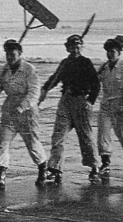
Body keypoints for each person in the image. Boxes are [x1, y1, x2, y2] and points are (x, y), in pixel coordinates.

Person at [0, 39, 48, 187]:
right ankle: (0, 177)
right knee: (2, 144)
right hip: (10, 109)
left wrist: (22, 107)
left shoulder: (29, 70)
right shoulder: (4, 70)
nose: (10, 57)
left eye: (13, 54)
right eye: (8, 54)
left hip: (28, 112)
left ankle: (43, 168)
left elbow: (34, 93)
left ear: (20, 54)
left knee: (32, 144)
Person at [38, 34, 100, 183]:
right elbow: (55, 78)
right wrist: (44, 90)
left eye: (78, 46)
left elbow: (96, 84)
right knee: (58, 135)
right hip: (66, 100)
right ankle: (55, 169)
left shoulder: (86, 62)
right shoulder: (65, 63)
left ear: (81, 47)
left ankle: (95, 168)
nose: (75, 49)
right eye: (72, 46)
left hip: (81, 101)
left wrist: (89, 101)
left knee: (86, 137)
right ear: (68, 48)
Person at [96, 39, 123, 174]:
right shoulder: (104, 67)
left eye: (113, 51)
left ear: (119, 52)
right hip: (106, 105)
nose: (110, 54)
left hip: (120, 106)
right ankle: (105, 162)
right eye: (108, 51)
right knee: (103, 134)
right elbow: (96, 81)